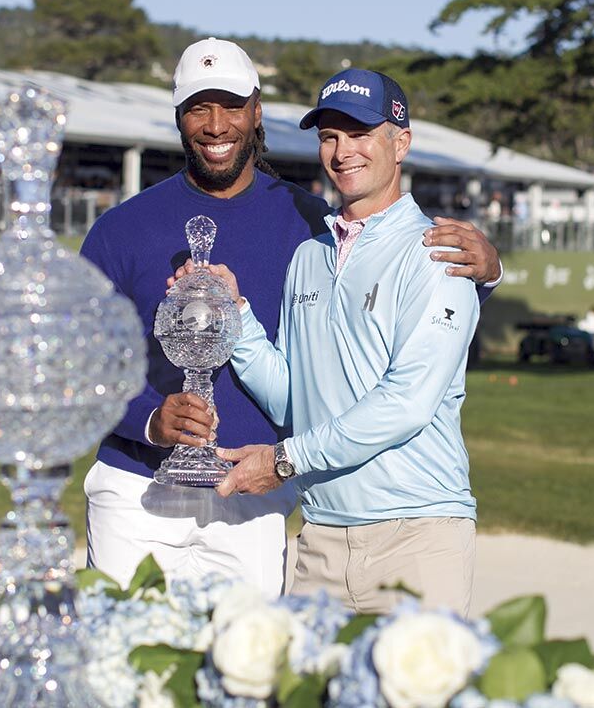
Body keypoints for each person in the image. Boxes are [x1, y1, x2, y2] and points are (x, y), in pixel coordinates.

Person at [79, 38, 502, 597]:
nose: (215, 124)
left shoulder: (310, 224)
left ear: (257, 112)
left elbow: (410, 332)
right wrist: (150, 420)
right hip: (139, 488)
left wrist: (486, 274)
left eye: (231, 104)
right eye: (197, 107)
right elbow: (78, 363)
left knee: (245, 673)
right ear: (178, 116)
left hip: (258, 498)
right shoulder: (122, 229)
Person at [205, 70, 482, 615]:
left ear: (399, 142)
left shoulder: (439, 254)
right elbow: (295, 399)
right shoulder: (310, 255)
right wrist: (235, 317)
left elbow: (406, 403)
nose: (342, 151)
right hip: (321, 543)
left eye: (359, 133)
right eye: (329, 136)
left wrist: (284, 461)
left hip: (417, 536)